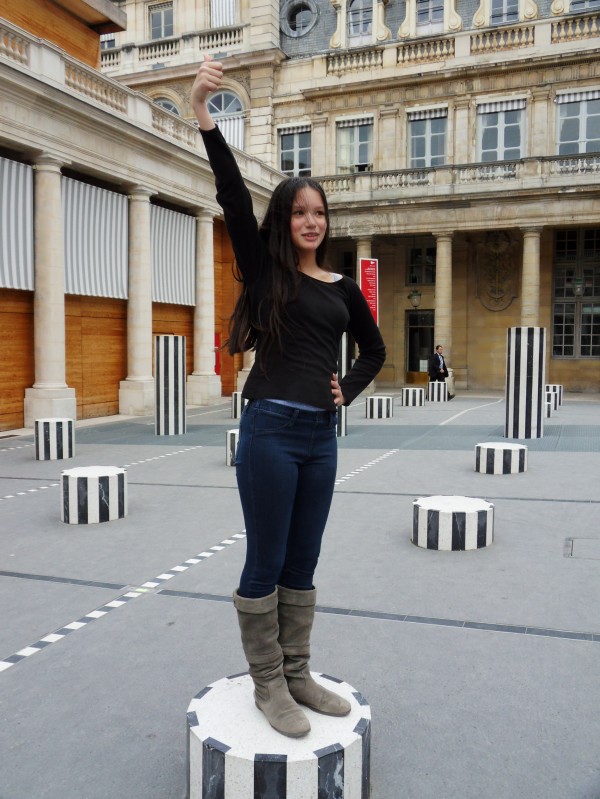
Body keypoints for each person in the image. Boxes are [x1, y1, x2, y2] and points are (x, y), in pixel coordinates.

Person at [191, 56, 386, 739]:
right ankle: (268, 682)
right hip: (270, 430)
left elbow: (375, 351)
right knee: (266, 559)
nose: (311, 220)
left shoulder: (343, 288)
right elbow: (231, 196)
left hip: (319, 439)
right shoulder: (266, 272)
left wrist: (346, 389)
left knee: (304, 560)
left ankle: (298, 671)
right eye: (300, 212)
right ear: (284, 219)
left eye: (319, 212)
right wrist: (204, 114)